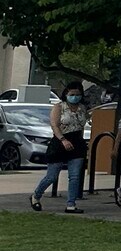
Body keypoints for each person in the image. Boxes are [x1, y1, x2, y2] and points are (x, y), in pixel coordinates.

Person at [29, 81, 91, 212]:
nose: (75, 97)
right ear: (66, 93)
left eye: (78, 94)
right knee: (52, 176)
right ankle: (36, 195)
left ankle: (71, 204)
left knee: (74, 176)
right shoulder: (59, 107)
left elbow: (81, 125)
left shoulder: (82, 108)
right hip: (60, 141)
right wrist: (63, 140)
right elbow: (55, 125)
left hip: (77, 142)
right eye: (72, 94)